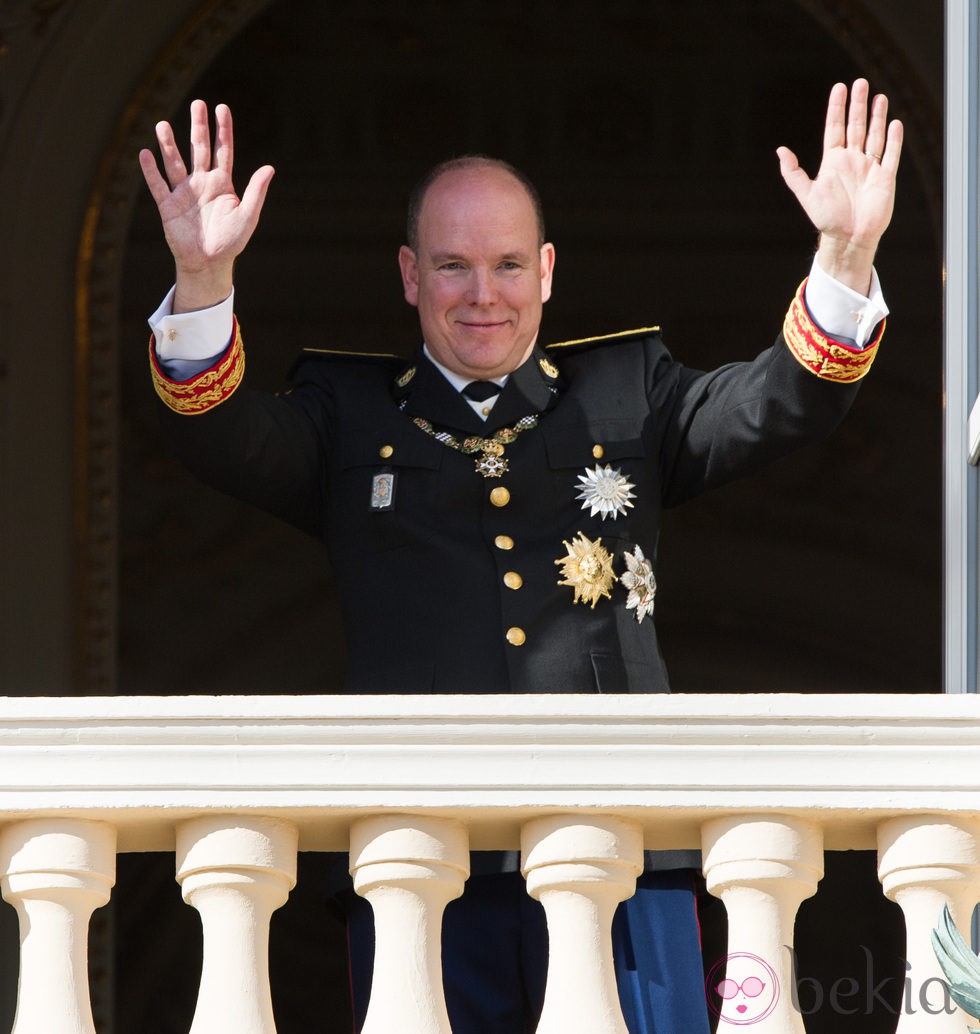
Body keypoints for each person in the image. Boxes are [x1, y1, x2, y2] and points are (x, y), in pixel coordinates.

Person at [139, 79, 901, 1033]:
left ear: (546, 269)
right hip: (422, 864)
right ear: (411, 275)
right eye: (453, 267)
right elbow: (224, 437)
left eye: (506, 264)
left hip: (626, 855)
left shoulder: (631, 393)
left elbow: (781, 401)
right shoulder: (349, 418)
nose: (484, 294)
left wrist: (847, 251)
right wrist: (204, 281)